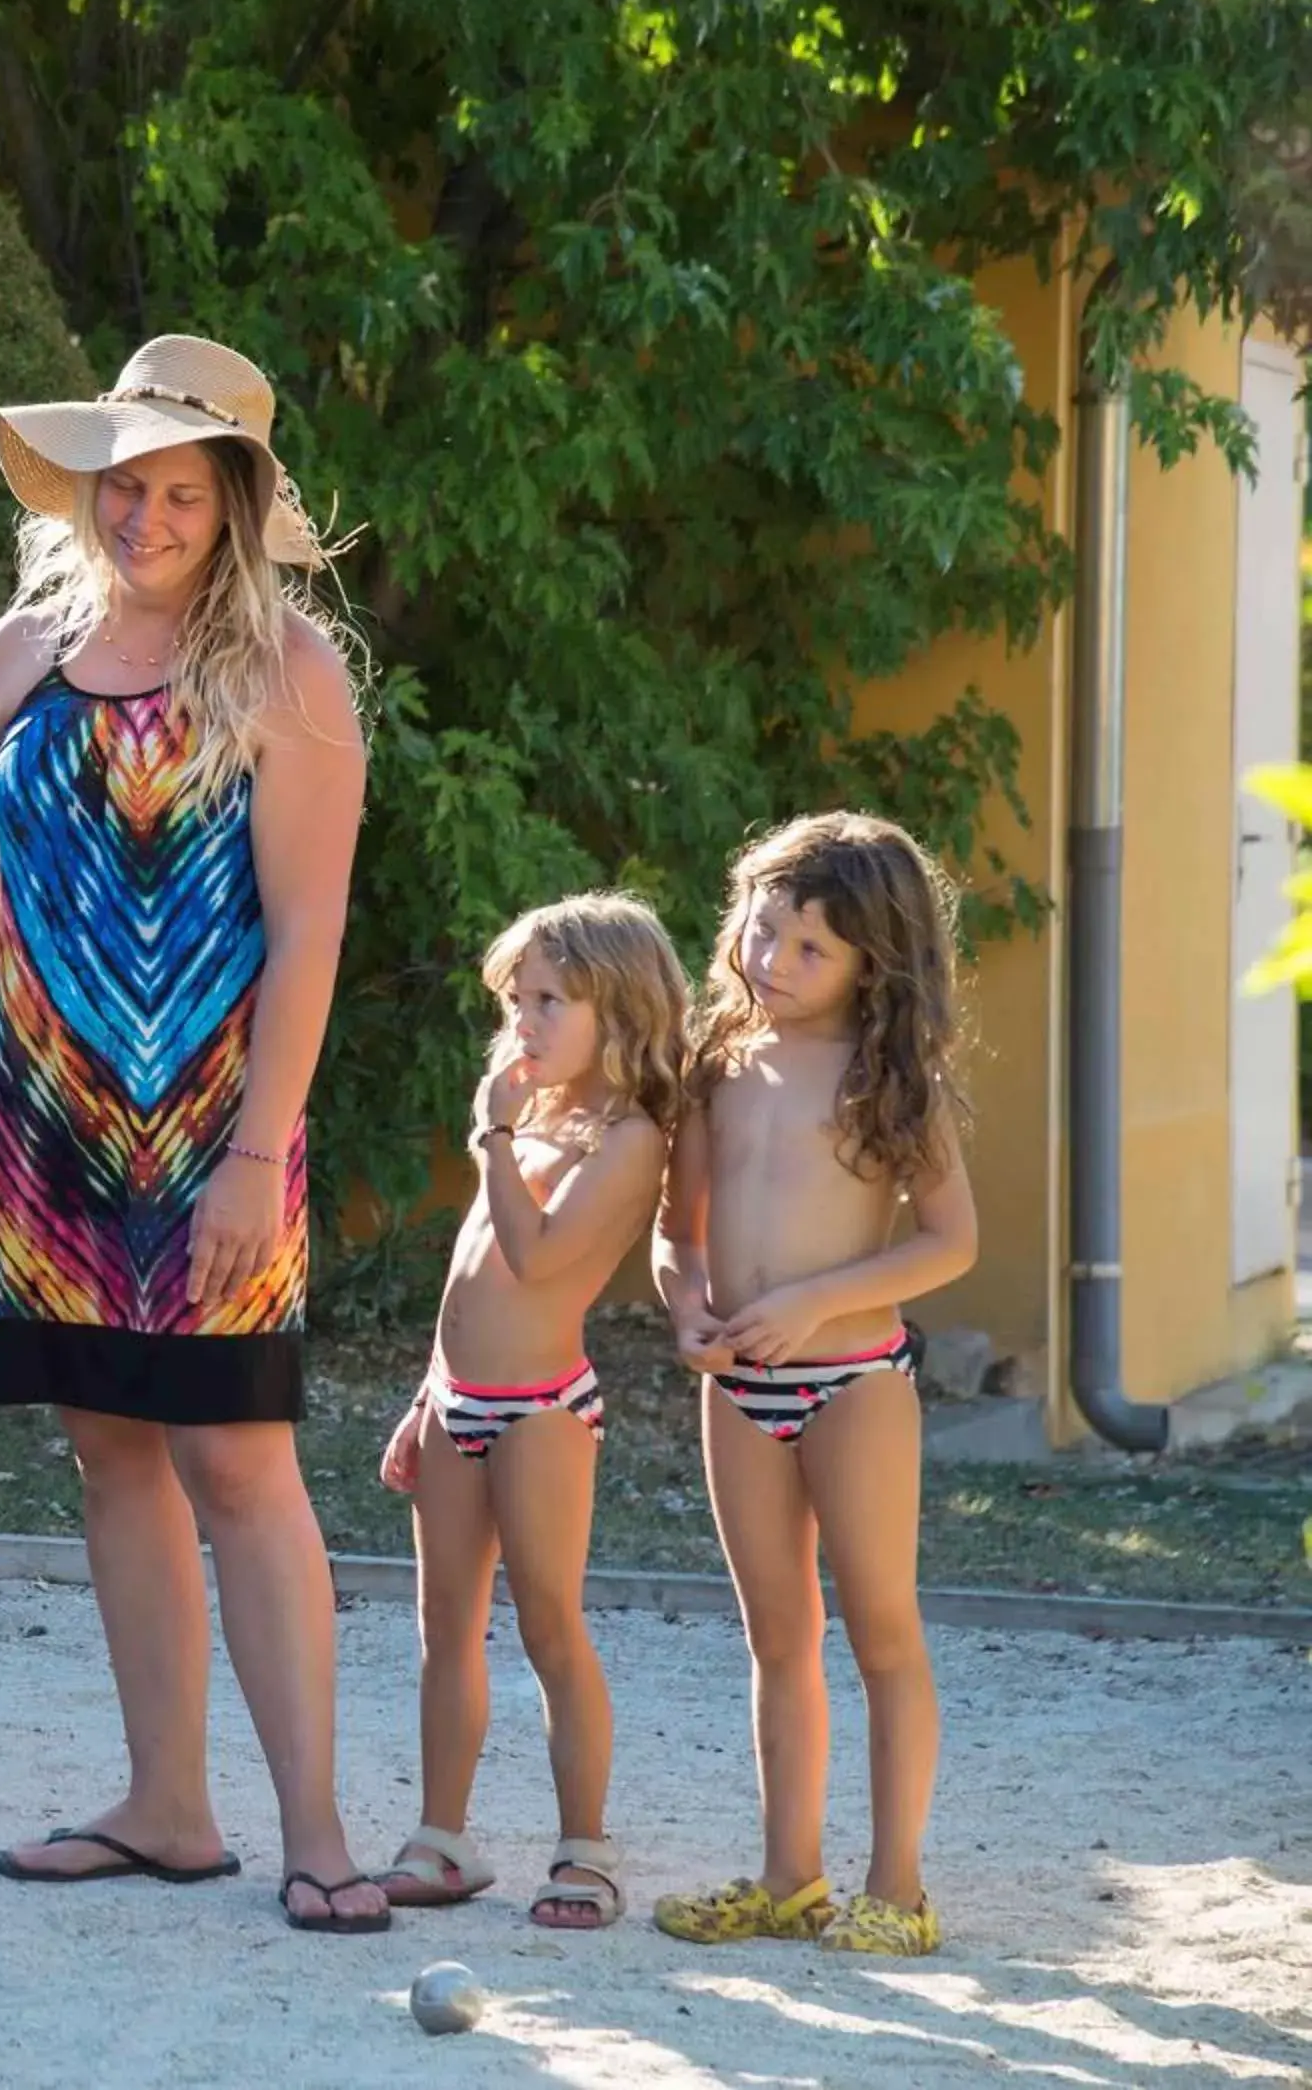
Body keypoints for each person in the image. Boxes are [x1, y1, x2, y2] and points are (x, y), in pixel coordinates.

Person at [0, 335, 386, 1933]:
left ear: (233, 504)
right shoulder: (17, 656)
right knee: (108, 1451)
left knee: (240, 1466)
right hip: (33, 1133)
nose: (146, 512)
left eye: (182, 488)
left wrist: (259, 1153)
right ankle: (168, 1806)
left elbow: (308, 931)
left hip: (214, 1143)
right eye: (128, 481)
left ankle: (318, 1832)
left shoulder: (289, 671)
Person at [649, 812, 978, 1957]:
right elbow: (676, 1234)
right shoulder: (716, 1066)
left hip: (853, 1384)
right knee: (777, 1637)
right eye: (762, 929)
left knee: (883, 1632)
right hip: (736, 1391)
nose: (770, 961)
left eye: (809, 950)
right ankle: (791, 1878)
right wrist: (689, 1306)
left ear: (872, 965)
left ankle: (901, 1888)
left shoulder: (896, 1081)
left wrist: (812, 1303)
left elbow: (948, 1243)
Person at [372, 894, 689, 1931]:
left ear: (623, 1008)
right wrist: (427, 1394)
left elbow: (538, 1258)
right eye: (518, 1001)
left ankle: (585, 1850)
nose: (527, 1023)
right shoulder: (535, 1119)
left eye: (553, 1000)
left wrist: (493, 1138)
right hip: (458, 1400)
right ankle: (444, 1838)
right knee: (444, 1628)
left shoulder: (628, 1134)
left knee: (549, 1622)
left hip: (542, 1410)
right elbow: (467, 1272)